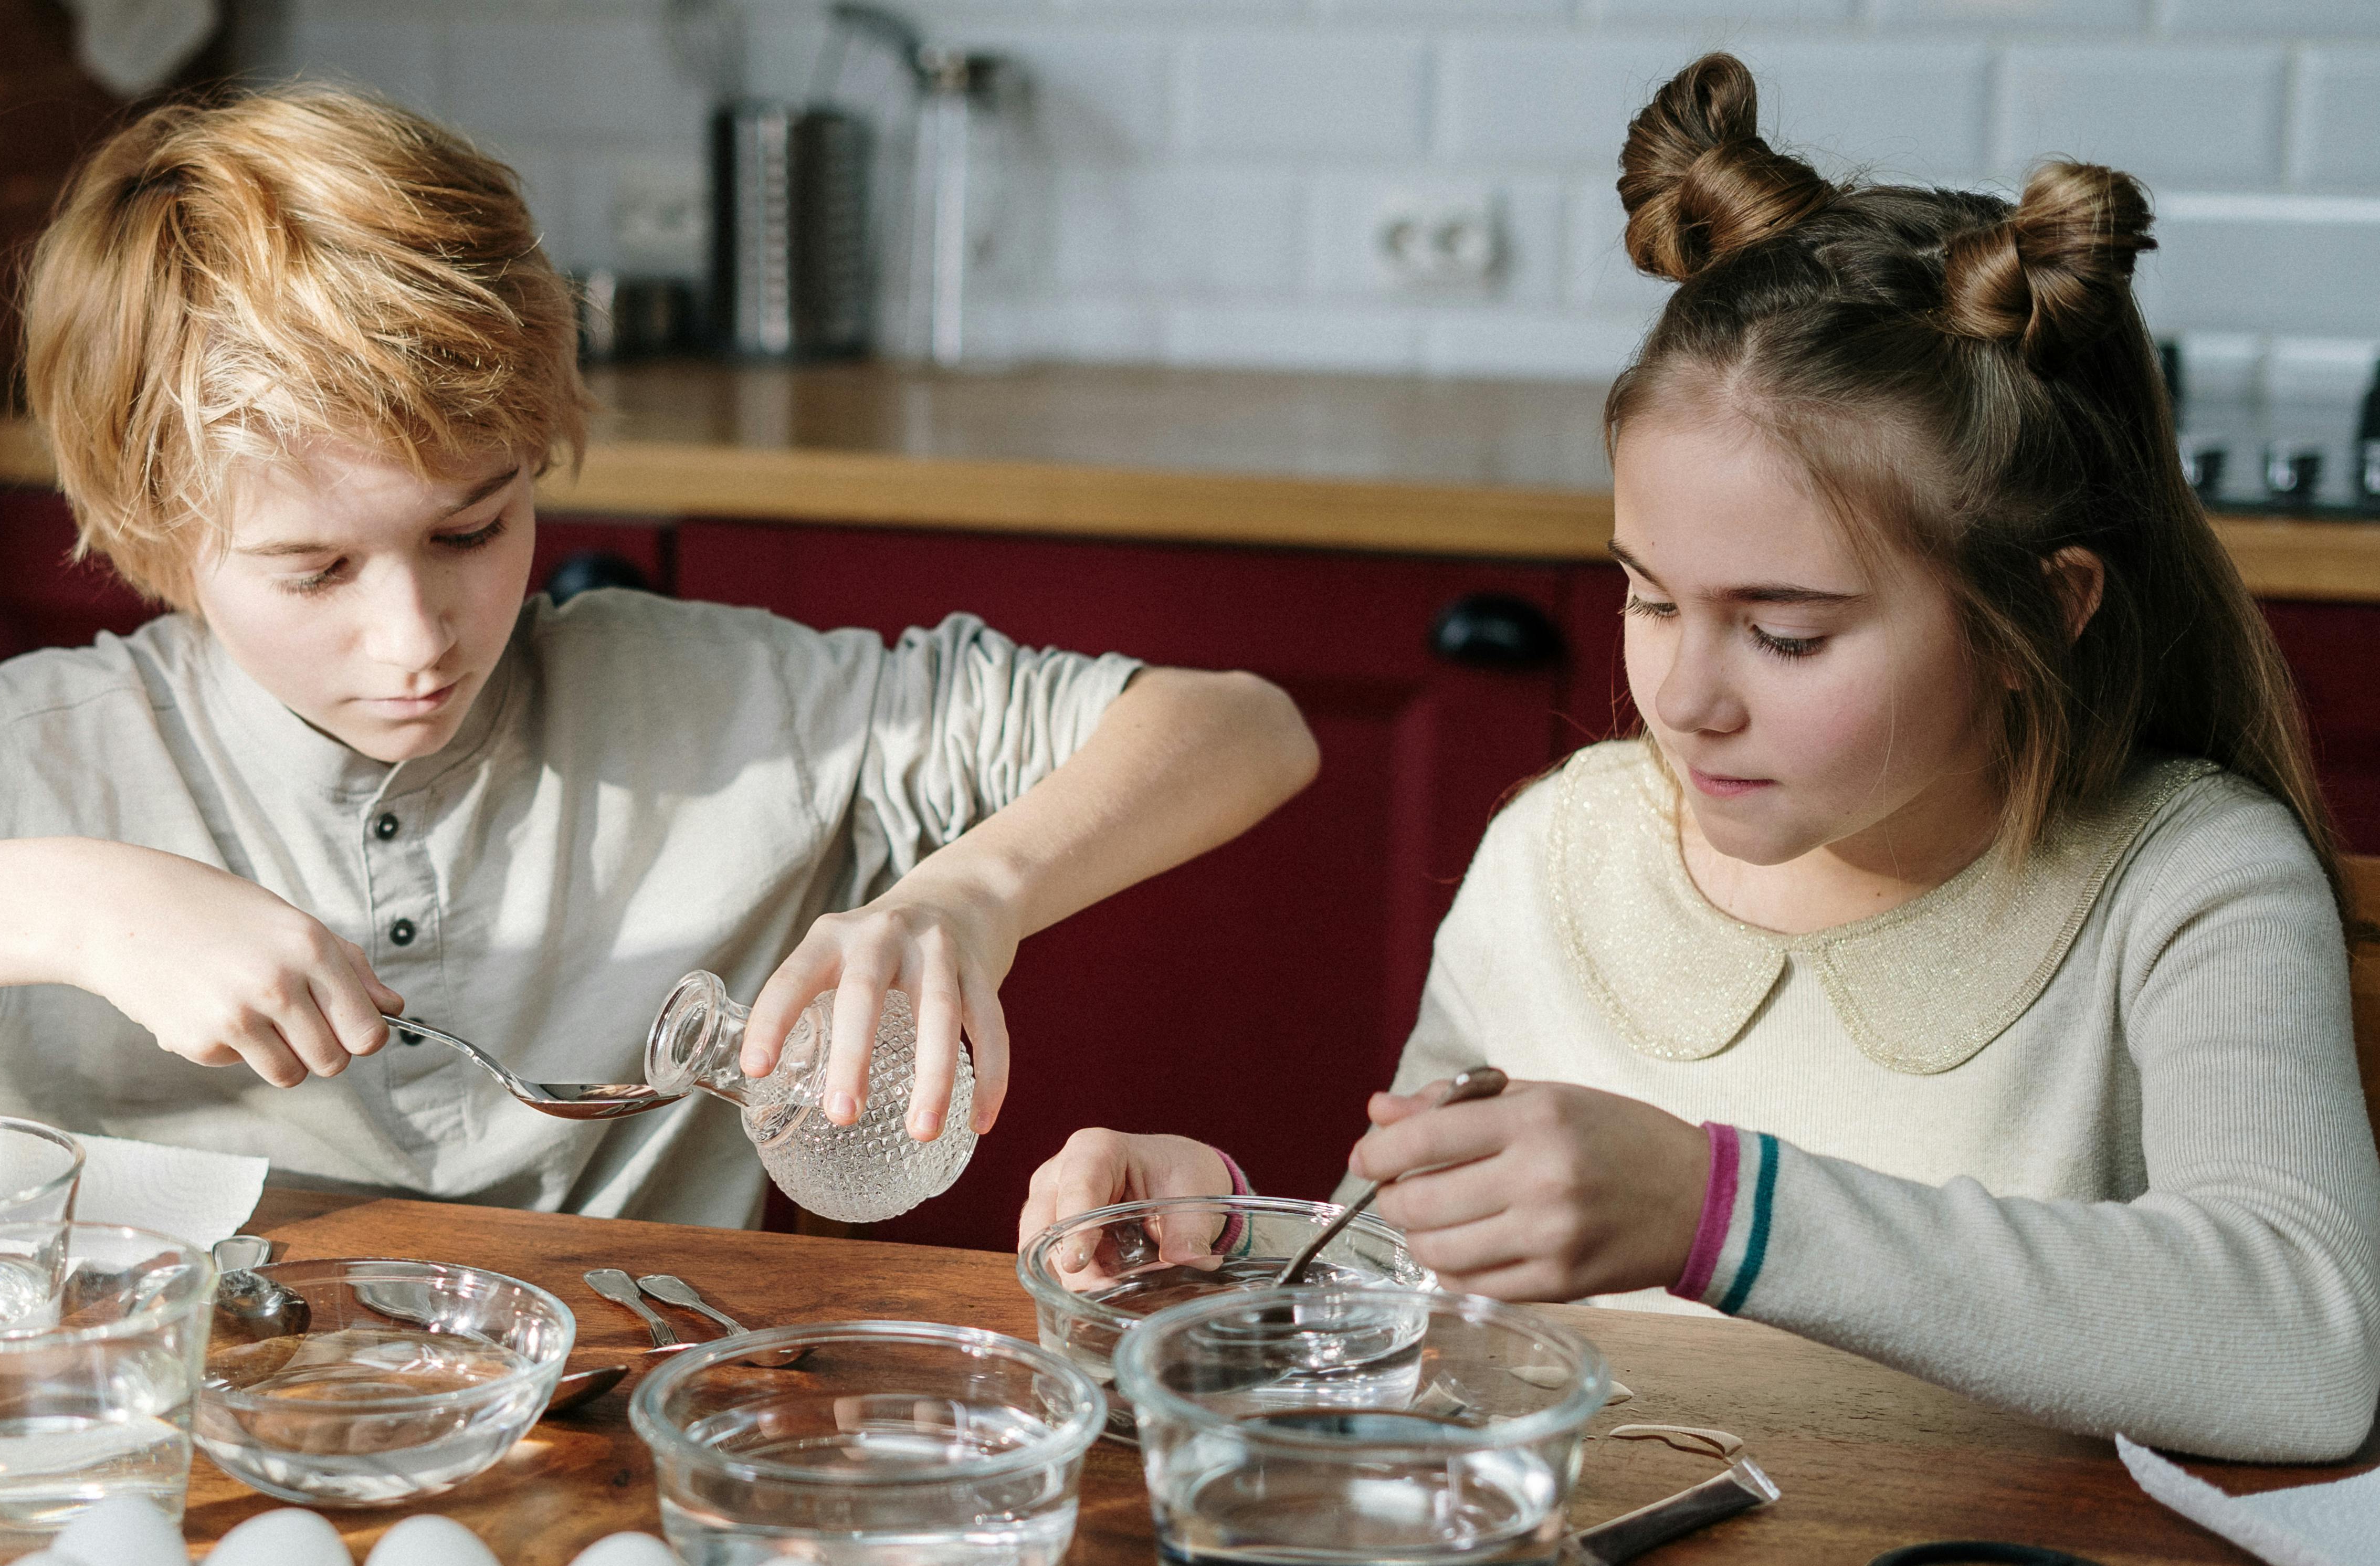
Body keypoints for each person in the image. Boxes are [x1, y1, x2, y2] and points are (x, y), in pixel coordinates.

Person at [0, 89, 1315, 1228]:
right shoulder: (18, 771)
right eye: (312, 566)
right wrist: (74, 905)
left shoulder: (726, 710)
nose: (417, 641)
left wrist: (976, 889)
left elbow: (1243, 726)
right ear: (151, 538)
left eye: (475, 530)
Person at [1017, 54, 2380, 1463]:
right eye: (1651, 597)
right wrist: (1231, 1248)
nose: (1680, 696)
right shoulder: (1558, 854)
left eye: (1784, 634)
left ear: (2044, 606)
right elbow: (1432, 1310)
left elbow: (2309, 1350)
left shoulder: (2194, 884)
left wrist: (1717, 1211)